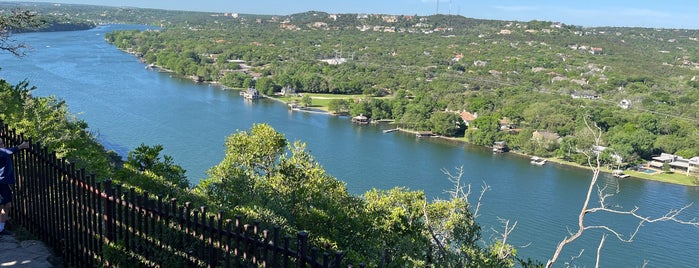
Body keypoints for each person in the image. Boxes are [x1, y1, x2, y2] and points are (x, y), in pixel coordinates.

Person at [0, 139, 30, 236]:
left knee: (7, 205)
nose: (2, 145)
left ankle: (1, 229)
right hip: (1, 182)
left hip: (4, 182)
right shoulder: (2, 152)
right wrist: (21, 146)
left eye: (2, 143)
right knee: (3, 205)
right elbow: (7, 151)